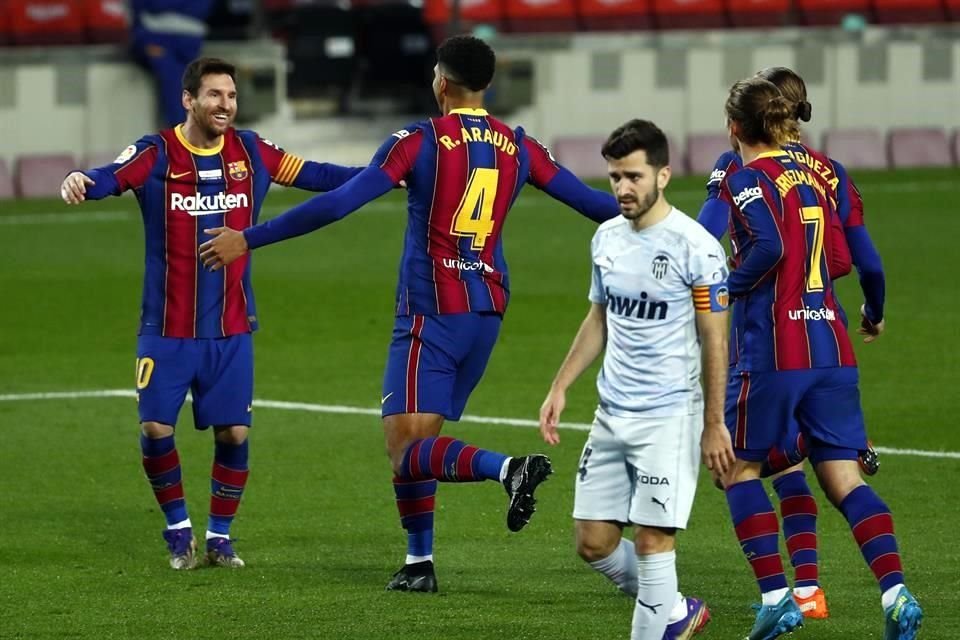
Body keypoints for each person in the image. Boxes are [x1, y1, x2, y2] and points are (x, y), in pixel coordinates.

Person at [198, 35, 621, 592]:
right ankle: (419, 563)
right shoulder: (520, 146)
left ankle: (507, 470)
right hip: (487, 312)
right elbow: (598, 206)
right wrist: (682, 234)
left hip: (431, 311)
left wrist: (248, 238)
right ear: (486, 86)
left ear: (441, 83)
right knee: (418, 439)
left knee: (406, 449)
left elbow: (340, 202)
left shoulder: (421, 140)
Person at [60, 57, 361, 570]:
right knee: (156, 428)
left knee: (234, 434)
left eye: (231, 96)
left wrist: (384, 176)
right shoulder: (158, 152)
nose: (226, 105)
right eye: (215, 95)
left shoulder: (252, 152)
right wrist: (82, 179)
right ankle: (178, 530)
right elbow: (113, 174)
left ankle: (220, 537)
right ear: (188, 99)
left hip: (230, 328)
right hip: (166, 328)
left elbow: (317, 174)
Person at [717, 77, 922, 640]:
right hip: (832, 342)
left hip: (774, 348)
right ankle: (895, 592)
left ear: (735, 127)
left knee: (738, 469)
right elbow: (855, 261)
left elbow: (767, 248)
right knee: (845, 479)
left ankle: (778, 597)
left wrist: (720, 289)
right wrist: (874, 312)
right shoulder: (823, 175)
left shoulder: (745, 178)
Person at [537, 120, 731, 640]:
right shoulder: (606, 240)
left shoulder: (697, 248)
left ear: (663, 175)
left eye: (634, 176)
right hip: (611, 416)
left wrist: (714, 423)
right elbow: (599, 317)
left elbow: (715, 340)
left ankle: (659, 618)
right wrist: (560, 386)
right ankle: (675, 611)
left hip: (669, 418)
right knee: (593, 543)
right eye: (615, 177)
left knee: (652, 543)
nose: (623, 188)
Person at [130, 0, 216, 127]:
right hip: (157, 39)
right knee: (175, 86)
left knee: (184, 88)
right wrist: (143, 39)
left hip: (187, 42)